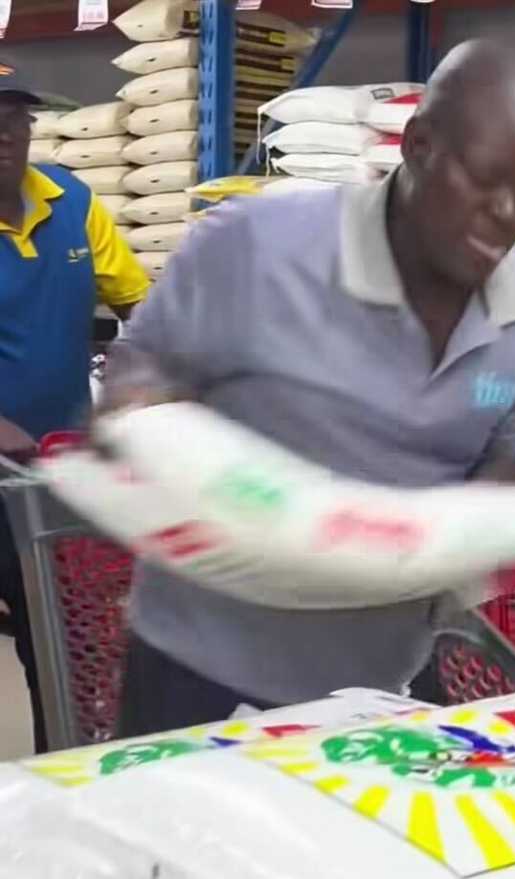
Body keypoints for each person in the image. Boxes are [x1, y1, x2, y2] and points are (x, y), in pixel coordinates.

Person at [105, 39, 515, 736]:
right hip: (201, 670)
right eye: (487, 180)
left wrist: (455, 543)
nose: (506, 214)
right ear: (418, 145)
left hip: (384, 680)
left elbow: (505, 449)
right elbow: (136, 372)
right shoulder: (256, 248)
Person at [0, 60, 150, 752]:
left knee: (60, 640)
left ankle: (57, 771)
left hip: (54, 472)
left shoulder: (70, 199)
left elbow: (140, 302)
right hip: (11, 460)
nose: (3, 131)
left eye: (13, 117)